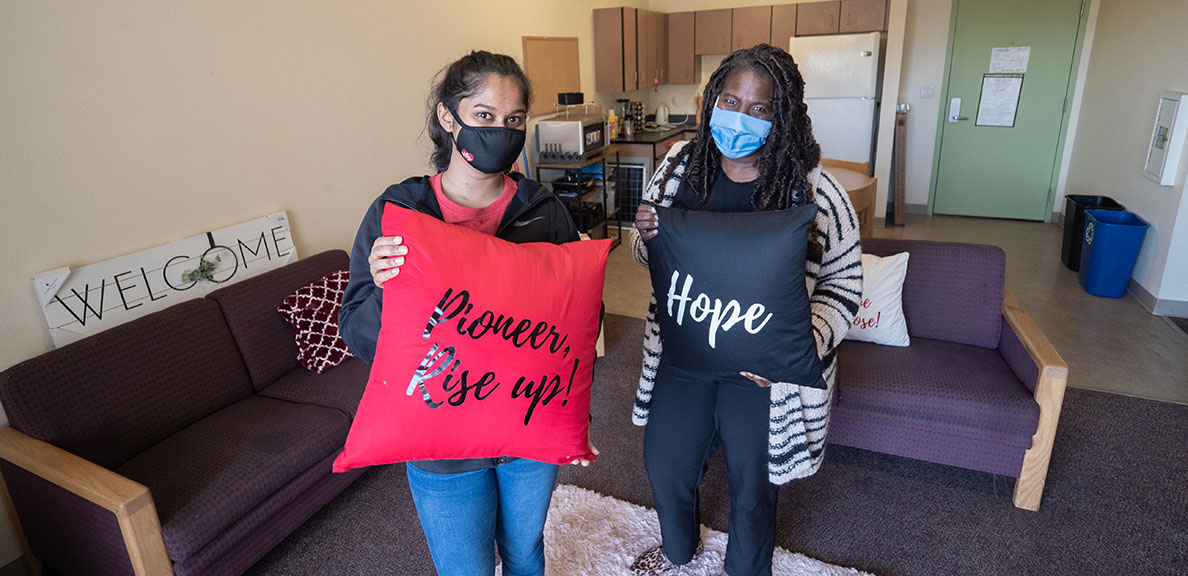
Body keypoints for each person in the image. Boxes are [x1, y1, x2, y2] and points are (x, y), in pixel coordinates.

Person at [338, 50, 597, 576]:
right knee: (465, 568)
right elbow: (358, 334)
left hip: (530, 429)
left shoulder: (545, 211)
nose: (500, 131)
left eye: (514, 119)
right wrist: (390, 287)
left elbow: (578, 334)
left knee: (525, 552)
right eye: (484, 116)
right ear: (447, 116)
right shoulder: (402, 213)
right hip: (442, 440)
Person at [628, 44, 863, 576]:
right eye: (731, 101)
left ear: (783, 117)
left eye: (760, 109)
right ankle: (678, 551)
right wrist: (646, 237)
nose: (741, 117)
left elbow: (844, 287)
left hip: (761, 377)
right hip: (682, 357)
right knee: (665, 465)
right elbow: (649, 257)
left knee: (752, 489)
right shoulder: (678, 168)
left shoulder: (817, 193)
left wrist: (792, 355)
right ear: (712, 101)